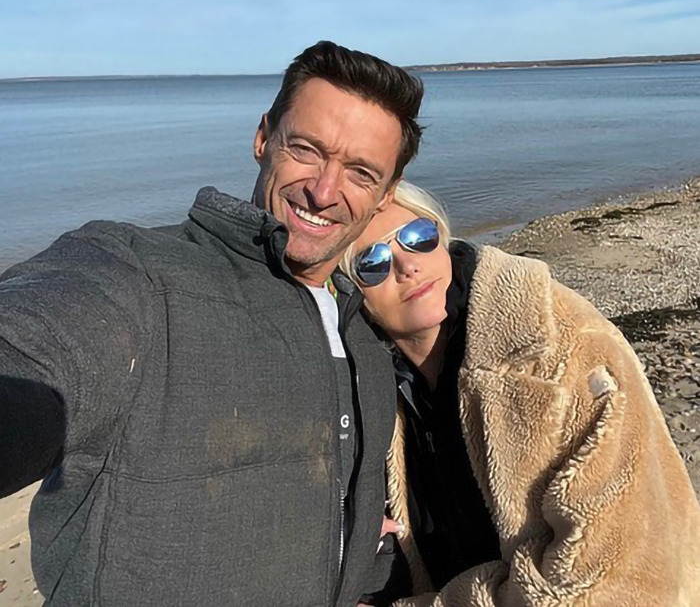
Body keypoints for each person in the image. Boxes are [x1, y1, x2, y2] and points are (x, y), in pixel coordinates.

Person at [0, 41, 425, 606]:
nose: (324, 192)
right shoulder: (139, 278)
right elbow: (34, 348)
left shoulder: (365, 341)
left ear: (385, 194)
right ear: (263, 138)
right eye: (305, 149)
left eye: (361, 172)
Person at [341, 181, 700, 606]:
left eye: (418, 237)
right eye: (373, 262)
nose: (407, 266)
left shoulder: (566, 348)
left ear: (442, 234)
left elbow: (604, 581)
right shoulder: (365, 390)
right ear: (349, 291)